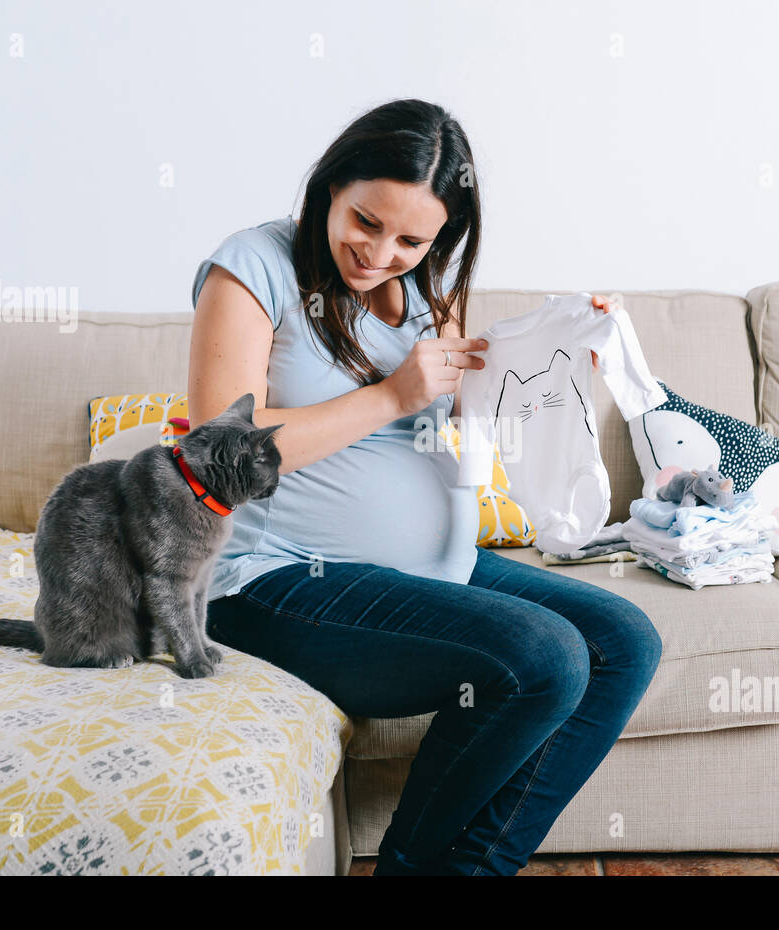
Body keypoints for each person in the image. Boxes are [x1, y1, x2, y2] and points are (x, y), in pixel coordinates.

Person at [189, 98, 661, 875]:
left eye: (412, 239)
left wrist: (562, 348)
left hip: (432, 566)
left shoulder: (422, 292)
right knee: (545, 656)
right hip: (269, 580)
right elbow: (218, 456)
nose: (380, 253)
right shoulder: (254, 266)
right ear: (329, 188)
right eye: (365, 222)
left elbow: (456, 416)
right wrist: (391, 395)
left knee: (624, 640)